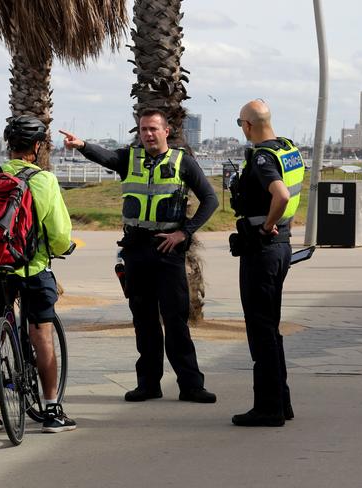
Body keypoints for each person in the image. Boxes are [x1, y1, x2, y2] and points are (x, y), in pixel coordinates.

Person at [60, 108, 218, 404]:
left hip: (167, 249)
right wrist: (81, 145)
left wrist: (185, 232)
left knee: (175, 320)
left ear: (166, 131)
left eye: (153, 129)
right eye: (143, 129)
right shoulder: (129, 158)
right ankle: (148, 384)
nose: (147, 134)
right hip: (135, 249)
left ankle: (191, 385)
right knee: (144, 320)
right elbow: (105, 157)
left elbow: (211, 199)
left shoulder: (184, 162)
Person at [0, 115, 77, 434]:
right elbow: (58, 233)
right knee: (42, 333)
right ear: (38, 146)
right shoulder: (44, 181)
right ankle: (52, 409)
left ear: (9, 145)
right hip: (33, 268)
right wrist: (64, 246)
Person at [229, 99, 305, 427]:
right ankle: (281, 401)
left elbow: (282, 195)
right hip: (283, 245)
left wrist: (262, 227)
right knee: (271, 327)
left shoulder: (262, 156)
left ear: (248, 125)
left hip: (263, 250)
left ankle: (268, 408)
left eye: (240, 123)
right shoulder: (288, 148)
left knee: (260, 329)